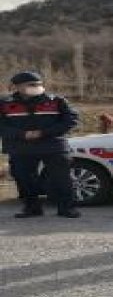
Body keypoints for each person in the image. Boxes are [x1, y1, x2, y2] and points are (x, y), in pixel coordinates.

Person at [0, 71, 81, 218]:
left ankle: (67, 208)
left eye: (37, 84)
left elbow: (71, 120)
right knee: (24, 178)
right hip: (21, 147)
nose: (35, 87)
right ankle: (32, 208)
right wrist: (21, 134)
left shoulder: (56, 100)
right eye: (30, 85)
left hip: (53, 145)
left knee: (61, 178)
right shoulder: (5, 103)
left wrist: (44, 132)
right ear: (18, 87)